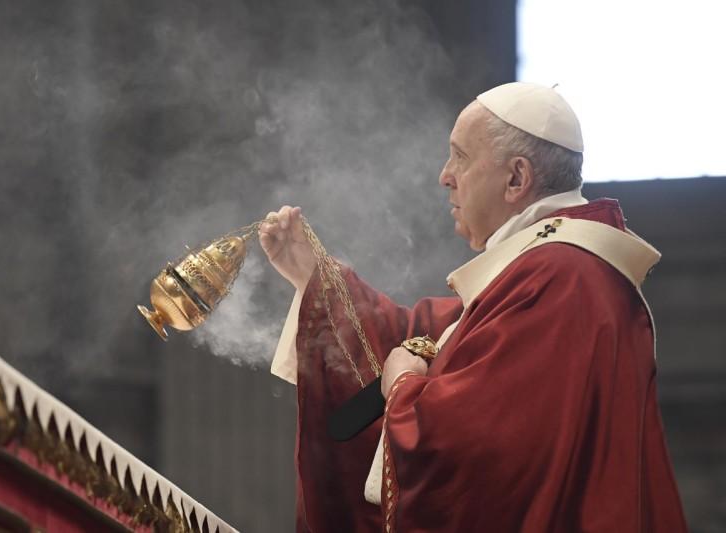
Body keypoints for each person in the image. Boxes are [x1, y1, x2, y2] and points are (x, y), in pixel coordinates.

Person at [259, 82, 688, 532]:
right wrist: (320, 285)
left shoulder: (564, 279)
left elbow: (474, 447)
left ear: (516, 178)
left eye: (460, 156)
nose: (445, 175)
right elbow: (424, 337)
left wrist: (404, 383)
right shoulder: (541, 272)